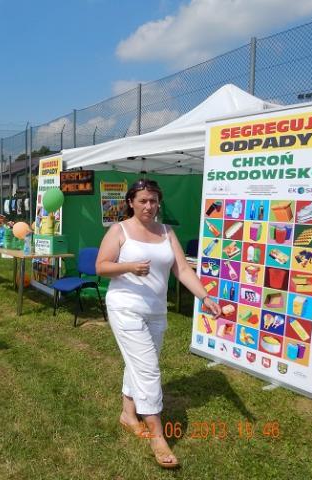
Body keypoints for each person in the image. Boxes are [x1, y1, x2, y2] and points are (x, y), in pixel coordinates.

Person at [95, 179, 220, 469]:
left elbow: (183, 269)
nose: (149, 206)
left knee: (139, 363)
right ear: (131, 202)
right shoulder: (119, 230)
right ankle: (158, 436)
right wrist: (129, 267)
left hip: (156, 310)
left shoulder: (166, 232)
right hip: (125, 308)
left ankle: (128, 414)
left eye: (153, 201)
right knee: (148, 369)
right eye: (143, 201)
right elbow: (101, 266)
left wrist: (204, 297)